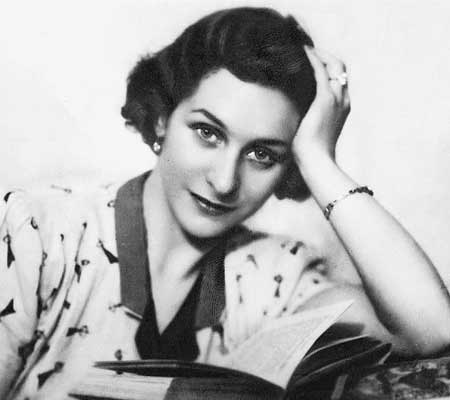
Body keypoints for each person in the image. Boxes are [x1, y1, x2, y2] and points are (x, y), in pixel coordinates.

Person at [1, 6, 449, 400]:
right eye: (208, 133)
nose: (224, 180)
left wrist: (318, 159)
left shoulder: (275, 278)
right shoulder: (37, 237)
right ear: (162, 117)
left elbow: (431, 329)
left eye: (262, 155)